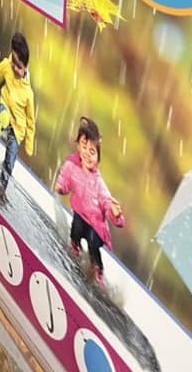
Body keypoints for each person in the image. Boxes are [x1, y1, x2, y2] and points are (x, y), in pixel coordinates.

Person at [54, 117, 125, 288]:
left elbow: (107, 202)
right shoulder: (72, 165)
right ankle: (75, 246)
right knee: (76, 228)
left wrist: (116, 214)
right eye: (84, 147)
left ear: (98, 159)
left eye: (92, 151)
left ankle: (97, 269)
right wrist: (61, 188)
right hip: (80, 215)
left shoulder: (99, 183)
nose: (87, 154)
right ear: (78, 146)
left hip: (96, 226)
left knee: (93, 241)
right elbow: (65, 180)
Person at [0, 32, 35, 199]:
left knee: (10, 160)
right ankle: (1, 124)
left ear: (26, 67)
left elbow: (31, 121)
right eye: (14, 63)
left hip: (18, 128)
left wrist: (29, 143)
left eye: (19, 67)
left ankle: (2, 187)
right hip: (5, 107)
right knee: (4, 115)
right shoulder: (7, 66)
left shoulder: (28, 93)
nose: (15, 68)